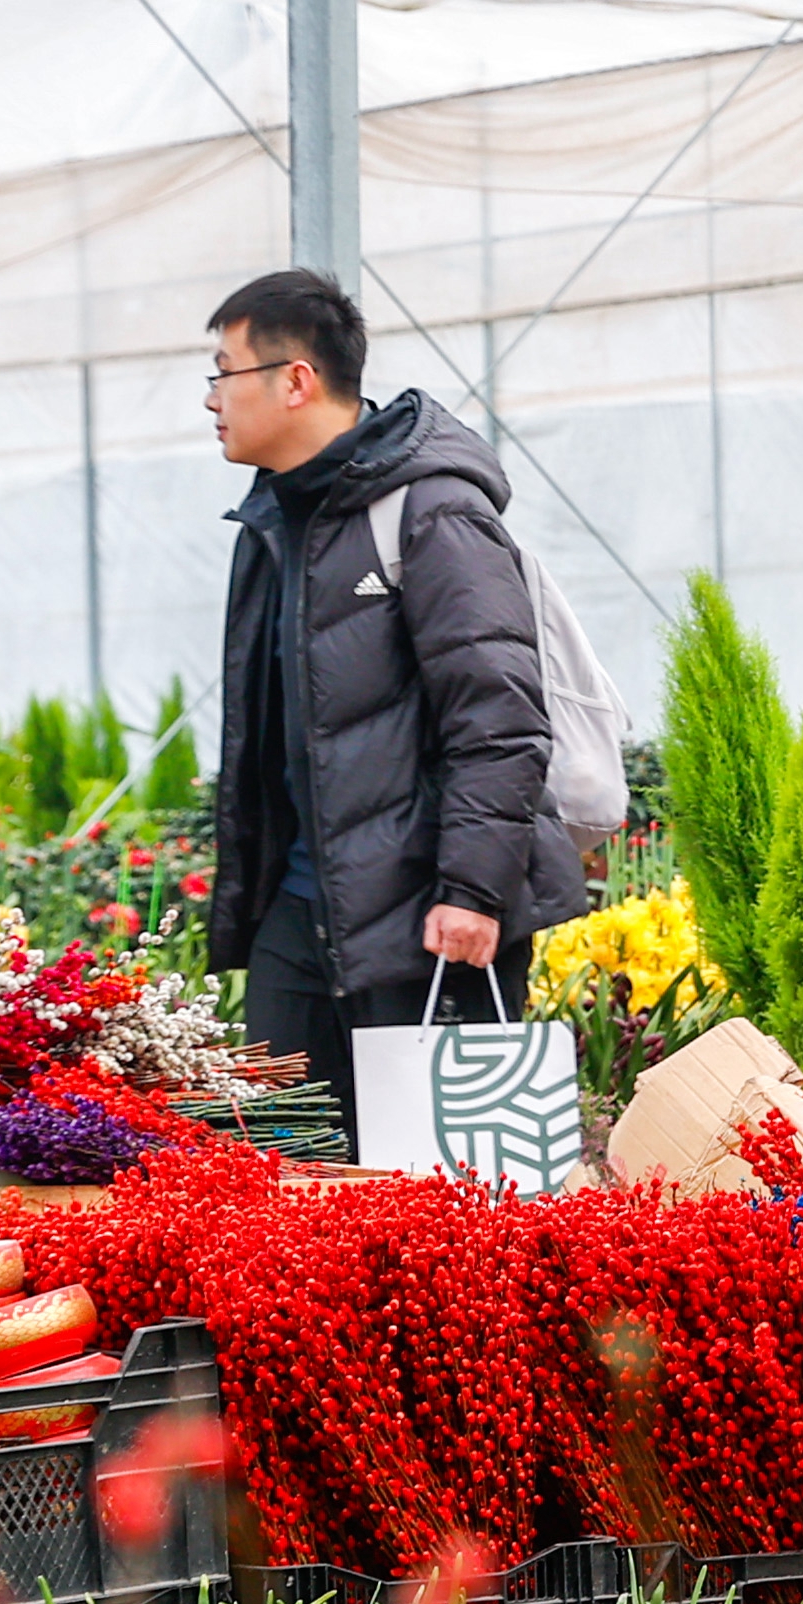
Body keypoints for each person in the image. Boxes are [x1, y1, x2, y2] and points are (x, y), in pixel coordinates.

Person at [201, 266, 551, 1115]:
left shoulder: (428, 511)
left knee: (434, 1197)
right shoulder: (271, 526)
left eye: (223, 372)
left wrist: (471, 890)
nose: (211, 399)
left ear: (295, 380)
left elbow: (498, 713)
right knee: (283, 1168)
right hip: (301, 911)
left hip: (423, 917)